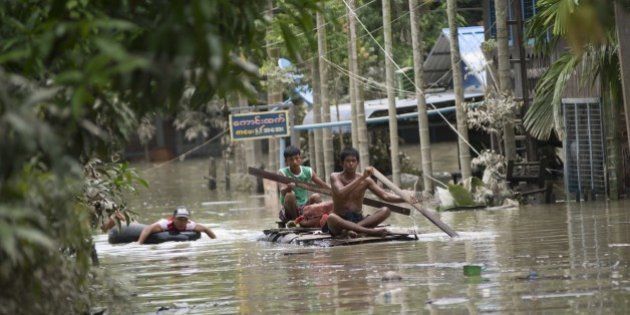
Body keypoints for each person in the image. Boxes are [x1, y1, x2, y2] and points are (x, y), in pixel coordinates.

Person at [324, 147, 417, 237]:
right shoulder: (335, 177)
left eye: (353, 161)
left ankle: (352, 230)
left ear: (358, 163)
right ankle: (369, 231)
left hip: (359, 220)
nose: (351, 164)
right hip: (340, 221)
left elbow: (386, 196)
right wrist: (362, 177)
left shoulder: (366, 180)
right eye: (348, 161)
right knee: (331, 218)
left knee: (386, 210)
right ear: (341, 163)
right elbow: (341, 193)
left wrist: (405, 199)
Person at [278, 145, 331, 223]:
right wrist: (288, 188)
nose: (294, 162)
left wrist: (334, 191)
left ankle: (319, 220)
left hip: (304, 208)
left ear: (300, 159)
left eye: (296, 158)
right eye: (291, 160)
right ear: (286, 162)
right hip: (289, 210)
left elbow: (322, 185)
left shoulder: (308, 171)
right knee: (290, 195)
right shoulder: (282, 172)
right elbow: (282, 190)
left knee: (316, 196)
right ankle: (294, 222)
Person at [137, 207, 216, 244]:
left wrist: (214, 240)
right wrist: (139, 243)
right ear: (174, 219)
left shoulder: (190, 225)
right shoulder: (165, 224)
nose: (182, 222)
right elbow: (147, 229)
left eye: (184, 219)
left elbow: (206, 229)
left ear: (187, 220)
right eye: (179, 219)